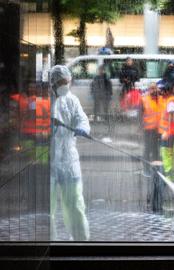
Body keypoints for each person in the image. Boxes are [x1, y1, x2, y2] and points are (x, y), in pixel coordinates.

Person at [50, 65, 90, 241]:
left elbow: (82, 119)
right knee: (47, 208)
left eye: (67, 82)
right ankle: (50, 241)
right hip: (49, 162)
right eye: (61, 82)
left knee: (75, 204)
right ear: (53, 83)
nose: (65, 85)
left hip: (69, 160)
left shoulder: (72, 100)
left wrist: (82, 128)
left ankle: (81, 241)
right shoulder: (46, 102)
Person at [140, 82, 162, 176]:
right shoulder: (144, 99)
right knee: (148, 150)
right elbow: (139, 115)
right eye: (151, 88)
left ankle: (155, 169)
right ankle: (146, 169)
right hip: (148, 129)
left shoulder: (161, 99)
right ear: (149, 90)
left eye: (155, 88)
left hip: (159, 129)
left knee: (156, 151)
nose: (153, 90)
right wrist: (139, 127)